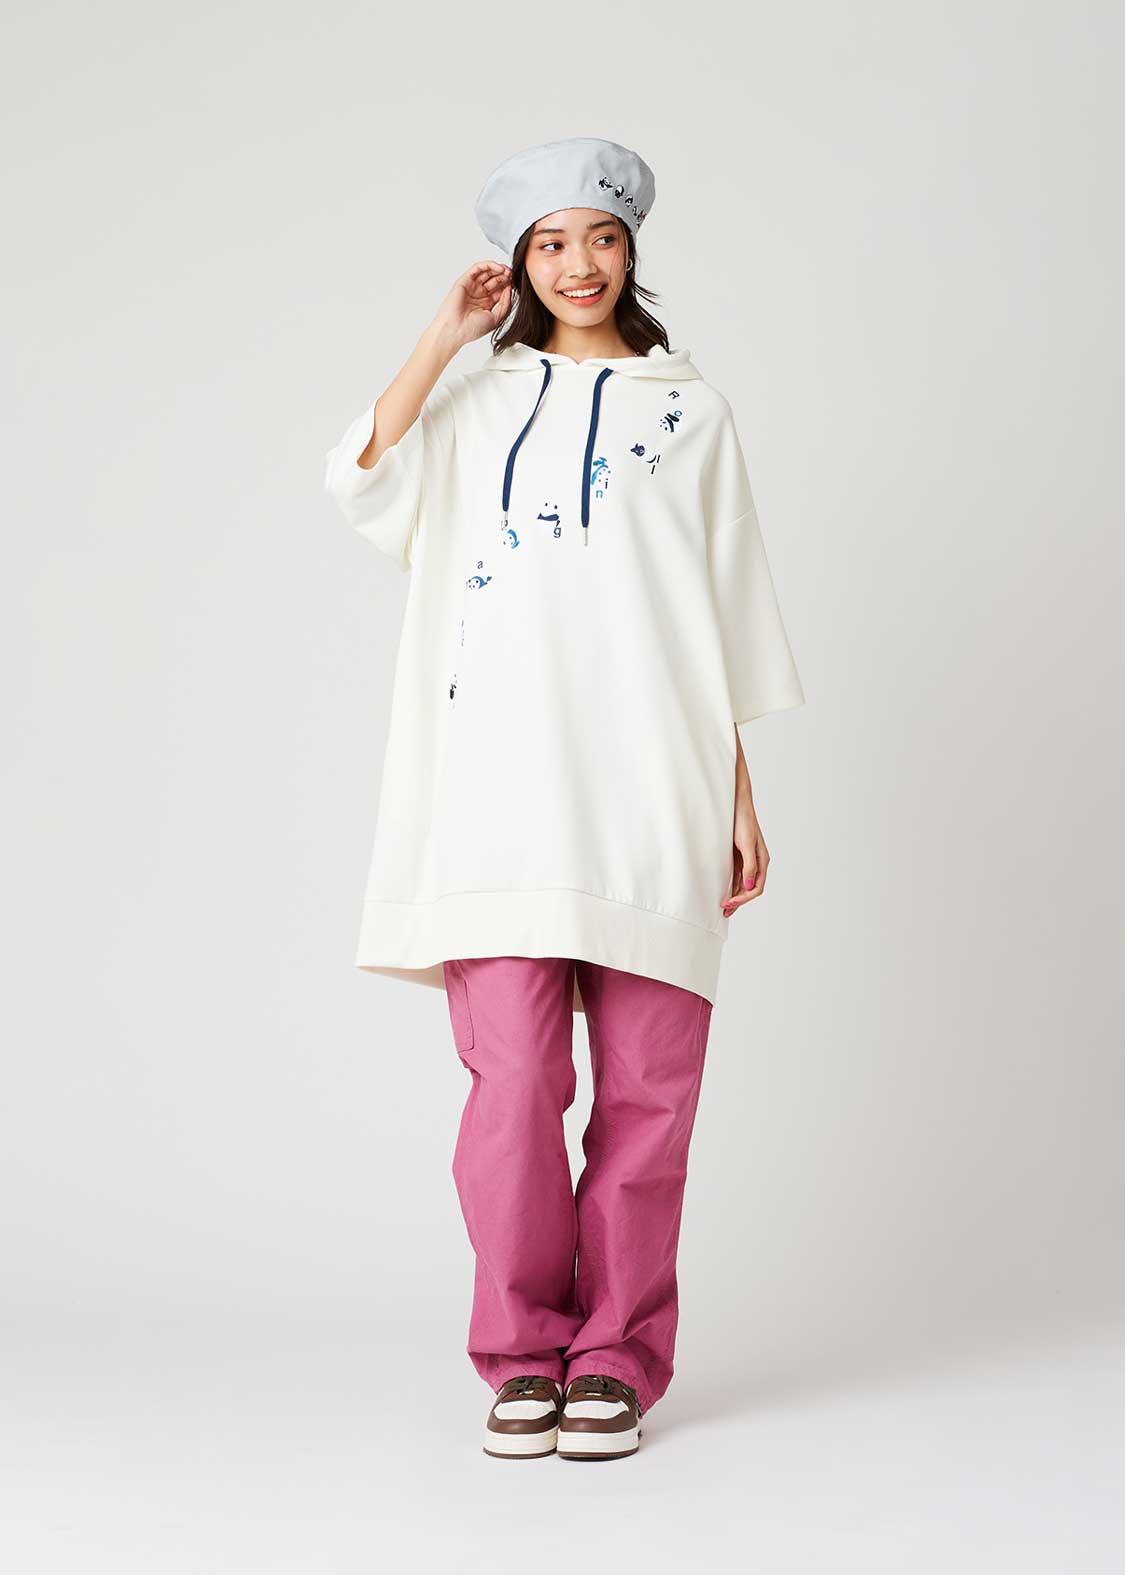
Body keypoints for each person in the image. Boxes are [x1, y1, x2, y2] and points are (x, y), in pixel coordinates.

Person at [323, 137, 805, 1461]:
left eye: (599, 237)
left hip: (654, 778)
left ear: (631, 250)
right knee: (514, 1087)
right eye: (549, 242)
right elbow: (360, 474)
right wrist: (443, 335)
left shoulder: (690, 411)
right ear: (519, 261)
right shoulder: (472, 406)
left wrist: (737, 791)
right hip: (493, 788)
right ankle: (522, 1349)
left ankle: (618, 1359)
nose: (577, 264)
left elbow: (719, 613)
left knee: (650, 1095)